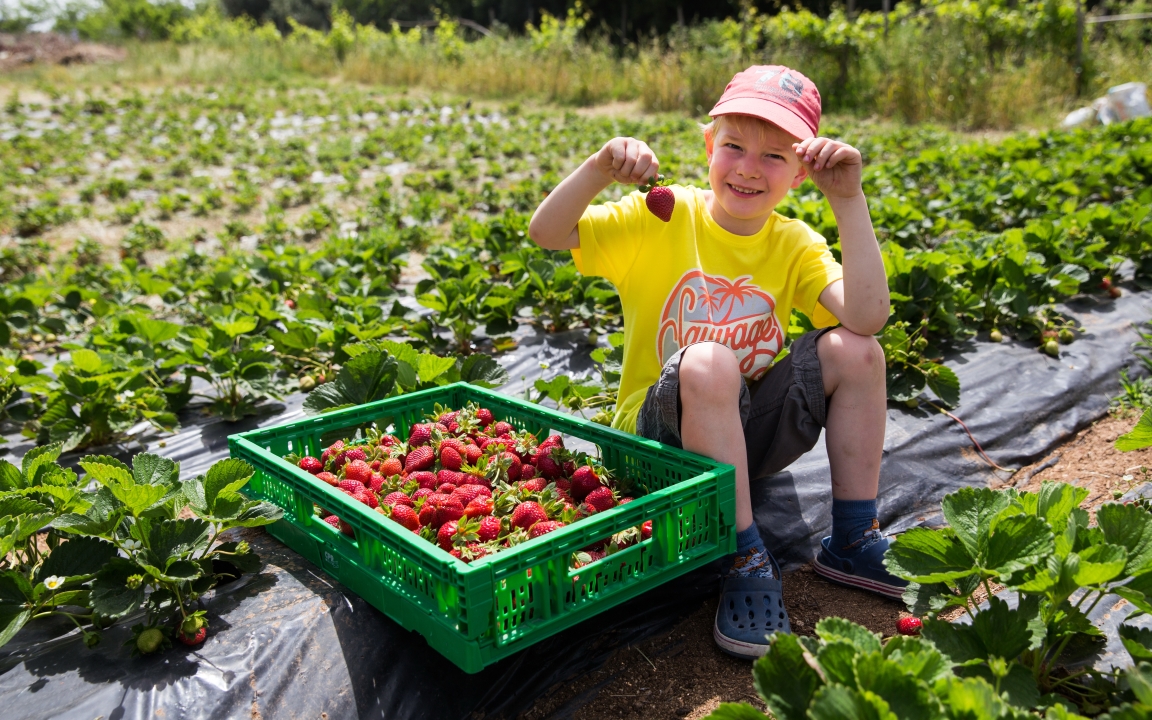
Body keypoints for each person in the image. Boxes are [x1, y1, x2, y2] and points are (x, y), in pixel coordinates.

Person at [527, 65, 903, 659]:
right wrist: (600, 167)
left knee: (857, 350)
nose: (750, 167)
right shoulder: (664, 215)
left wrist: (849, 200)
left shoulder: (795, 242)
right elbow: (547, 232)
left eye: (775, 155)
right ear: (708, 146)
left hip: (746, 440)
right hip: (659, 446)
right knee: (706, 363)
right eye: (734, 146)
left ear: (802, 171)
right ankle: (743, 554)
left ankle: (854, 537)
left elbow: (867, 315)